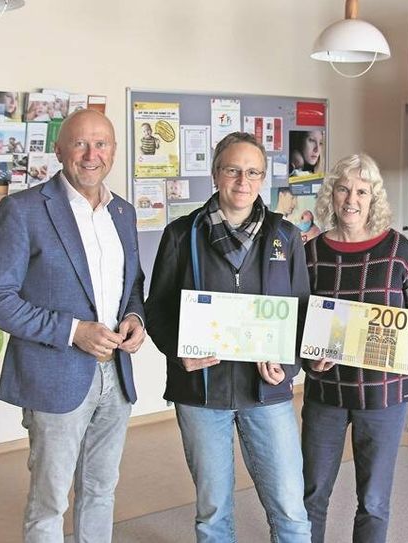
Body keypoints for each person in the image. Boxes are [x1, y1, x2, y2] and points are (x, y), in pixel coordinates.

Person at [0, 109, 146, 543]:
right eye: (80, 144)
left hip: (116, 374)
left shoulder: (122, 212)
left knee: (101, 490)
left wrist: (134, 317)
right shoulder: (23, 210)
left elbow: (133, 284)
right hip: (55, 376)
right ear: (59, 150)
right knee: (50, 500)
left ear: (113, 151)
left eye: (102, 144)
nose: (92, 155)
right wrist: (74, 331)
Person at [144, 131, 312, 543]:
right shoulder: (182, 234)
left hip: (267, 393)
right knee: (213, 511)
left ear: (263, 179)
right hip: (201, 393)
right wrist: (179, 351)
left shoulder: (285, 236)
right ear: (216, 174)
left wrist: (287, 366)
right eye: (233, 170)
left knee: (291, 508)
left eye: (253, 172)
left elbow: (301, 310)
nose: (243, 181)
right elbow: (158, 309)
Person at [301, 153, 408, 543]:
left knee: (375, 500)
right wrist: (311, 359)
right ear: (332, 194)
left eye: (362, 191)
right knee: (312, 494)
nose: (352, 199)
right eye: (344, 188)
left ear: (373, 198)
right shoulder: (311, 253)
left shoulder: (399, 250)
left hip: (384, 395)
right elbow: (298, 321)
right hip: (326, 394)